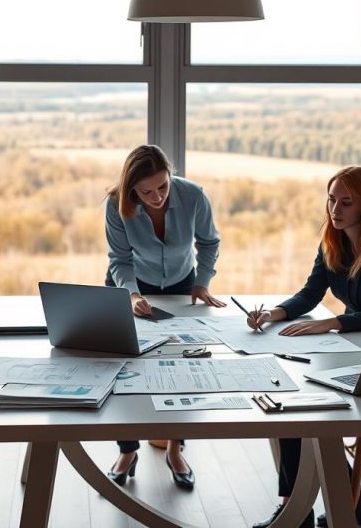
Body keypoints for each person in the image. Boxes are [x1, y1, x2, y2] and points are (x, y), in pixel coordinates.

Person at [248, 165, 361, 528]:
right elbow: (311, 292)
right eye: (331, 199)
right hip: (357, 343)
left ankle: (349, 503)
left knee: (308, 411)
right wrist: (273, 314)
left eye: (345, 202)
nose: (335, 210)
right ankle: (296, 507)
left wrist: (332, 322)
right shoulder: (333, 239)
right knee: (291, 402)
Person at [104, 144, 226, 489]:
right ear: (132, 189)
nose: (156, 197)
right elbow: (119, 259)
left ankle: (175, 449)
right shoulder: (116, 205)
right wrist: (131, 294)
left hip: (181, 283)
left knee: (185, 365)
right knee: (123, 367)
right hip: (129, 285)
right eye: (146, 191)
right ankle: (127, 451)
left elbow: (209, 242)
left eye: (163, 187)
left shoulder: (194, 196)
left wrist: (202, 283)